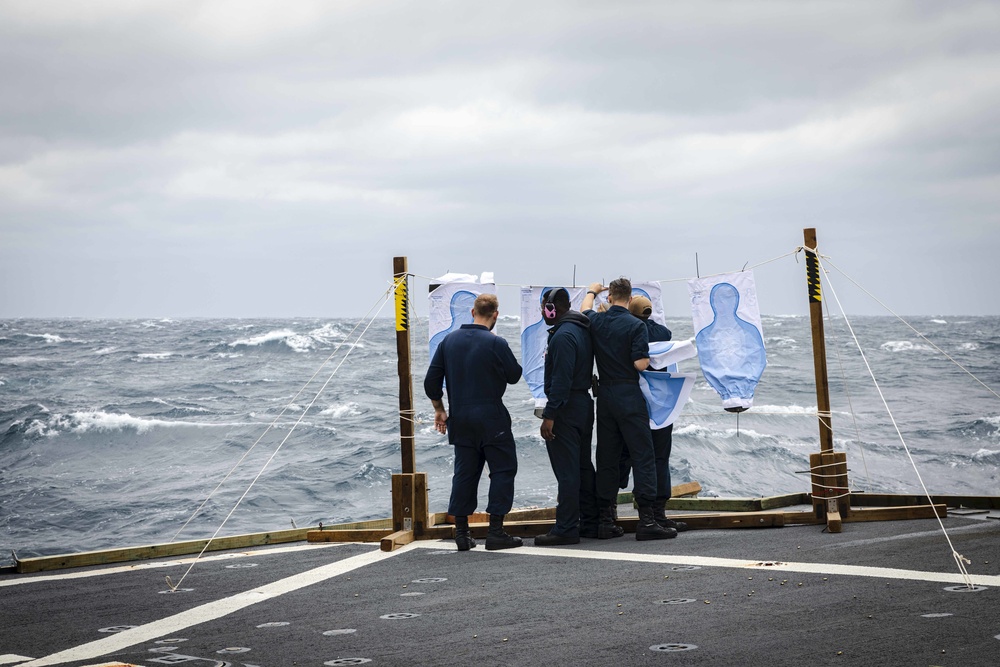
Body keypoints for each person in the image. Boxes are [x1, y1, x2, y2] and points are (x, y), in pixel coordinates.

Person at [424, 293, 524, 551]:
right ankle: (496, 533)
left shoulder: (448, 342)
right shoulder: (496, 342)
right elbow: (514, 376)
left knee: (465, 474)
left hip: (461, 418)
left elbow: (430, 383)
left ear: (472, 312)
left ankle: (461, 533)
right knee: (502, 470)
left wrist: (439, 409)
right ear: (495, 315)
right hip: (492, 417)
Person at [582, 279, 675, 541]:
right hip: (628, 393)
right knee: (643, 455)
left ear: (610, 297)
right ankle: (647, 521)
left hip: (605, 396)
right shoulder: (636, 325)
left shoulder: (596, 321)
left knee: (607, 456)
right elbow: (641, 364)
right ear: (631, 297)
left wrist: (592, 291)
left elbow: (584, 308)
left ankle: (605, 521)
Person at [535, 288, 600, 545]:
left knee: (567, 471)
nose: (543, 313)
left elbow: (561, 380)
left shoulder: (562, 336)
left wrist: (550, 415)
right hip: (583, 404)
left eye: (544, 308)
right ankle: (591, 522)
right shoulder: (582, 329)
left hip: (567, 408)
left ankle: (566, 528)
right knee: (583, 466)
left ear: (552, 308)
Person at [620, 295, 689, 533]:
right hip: (660, 407)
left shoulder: (629, 330)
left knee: (631, 458)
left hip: (632, 404)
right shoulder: (662, 333)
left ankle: (618, 513)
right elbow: (666, 333)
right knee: (660, 459)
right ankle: (659, 513)